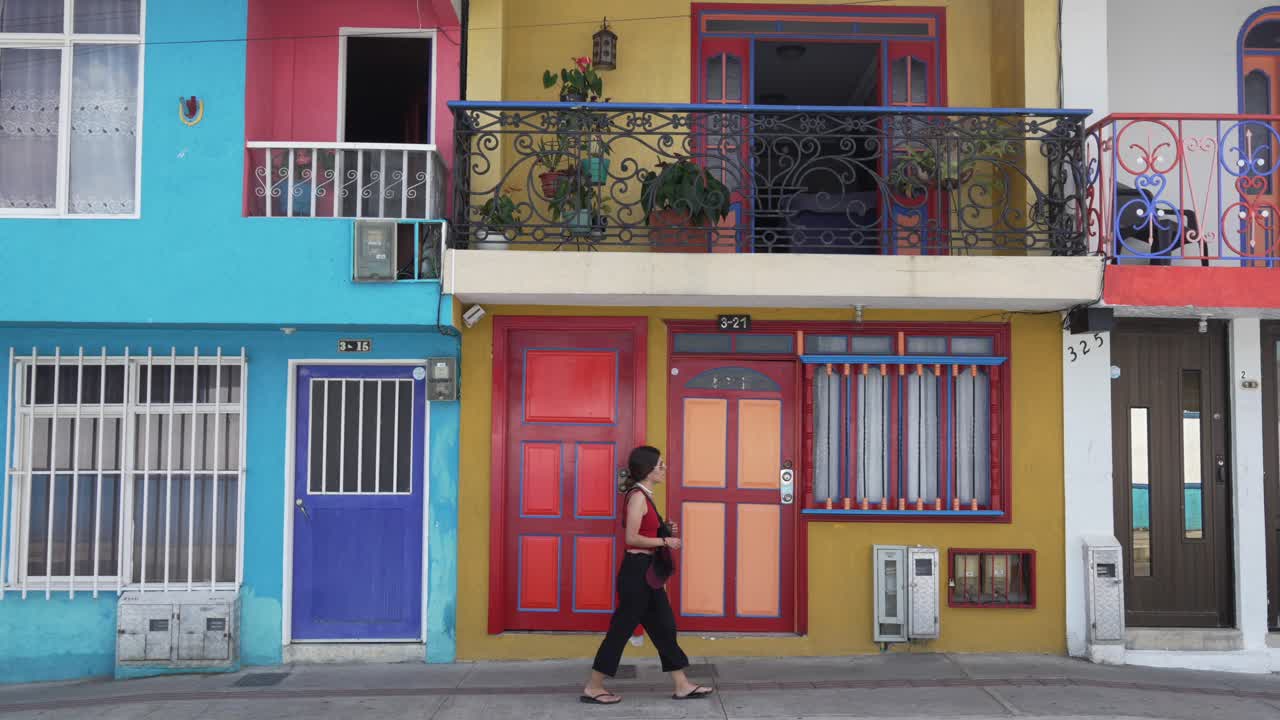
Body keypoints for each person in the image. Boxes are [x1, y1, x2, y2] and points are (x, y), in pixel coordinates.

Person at [580, 445, 714, 705]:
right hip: (636, 574)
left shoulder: (645, 495)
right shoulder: (638, 496)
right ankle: (594, 686)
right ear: (648, 469)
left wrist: (664, 530)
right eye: (660, 465)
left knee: (664, 627)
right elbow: (631, 538)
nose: (664, 469)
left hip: (647, 573)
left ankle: (682, 684)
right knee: (621, 630)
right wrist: (666, 542)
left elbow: (646, 530)